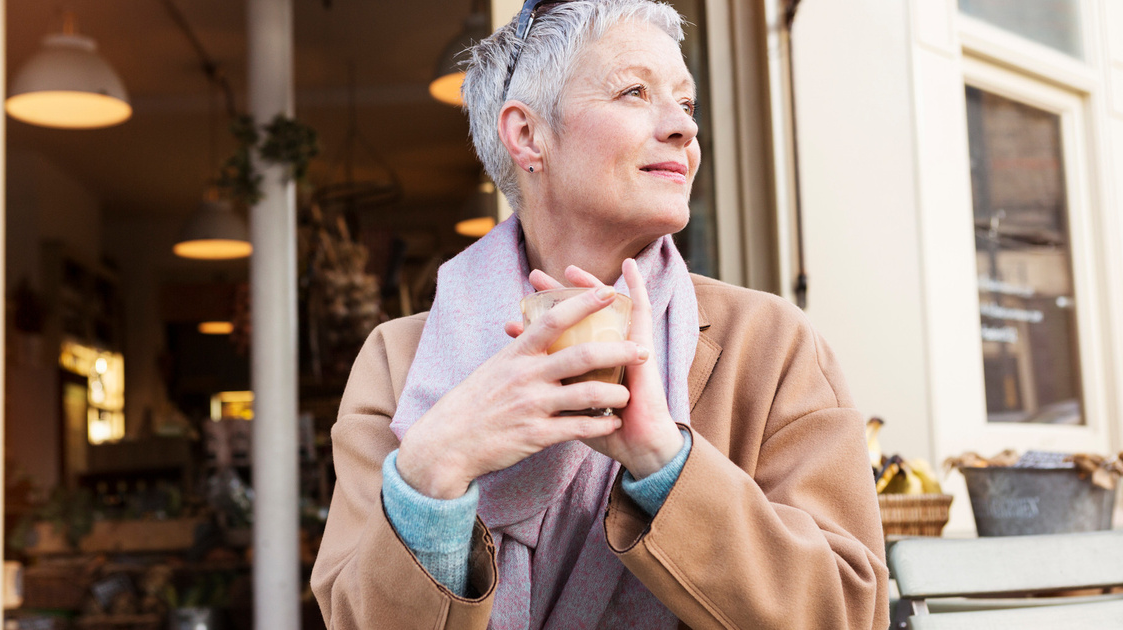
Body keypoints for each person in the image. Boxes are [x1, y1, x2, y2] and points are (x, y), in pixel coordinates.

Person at [311, 0, 890, 628]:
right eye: (634, 92)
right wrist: (433, 471)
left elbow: (850, 612)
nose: (683, 128)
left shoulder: (771, 346)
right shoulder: (400, 364)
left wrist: (664, 461)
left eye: (687, 104)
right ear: (528, 135)